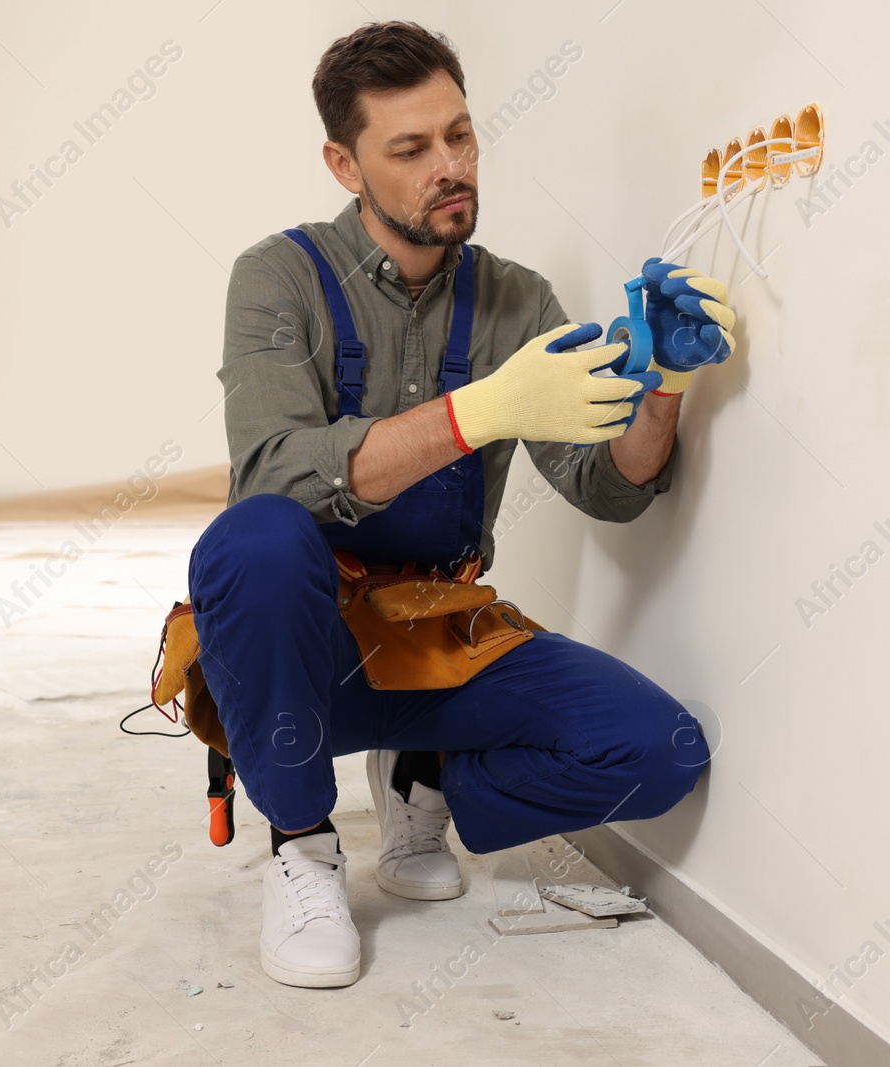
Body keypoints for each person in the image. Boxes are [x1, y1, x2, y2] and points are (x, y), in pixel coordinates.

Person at [187, 20, 737, 989]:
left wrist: (661, 383)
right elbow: (273, 471)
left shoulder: (519, 301)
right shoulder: (276, 279)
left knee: (660, 750)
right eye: (409, 148)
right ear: (343, 164)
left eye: (460, 135)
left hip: (433, 632)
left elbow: (607, 488)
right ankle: (303, 843)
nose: (449, 166)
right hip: (300, 650)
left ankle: (426, 772)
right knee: (256, 537)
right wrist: (479, 409)